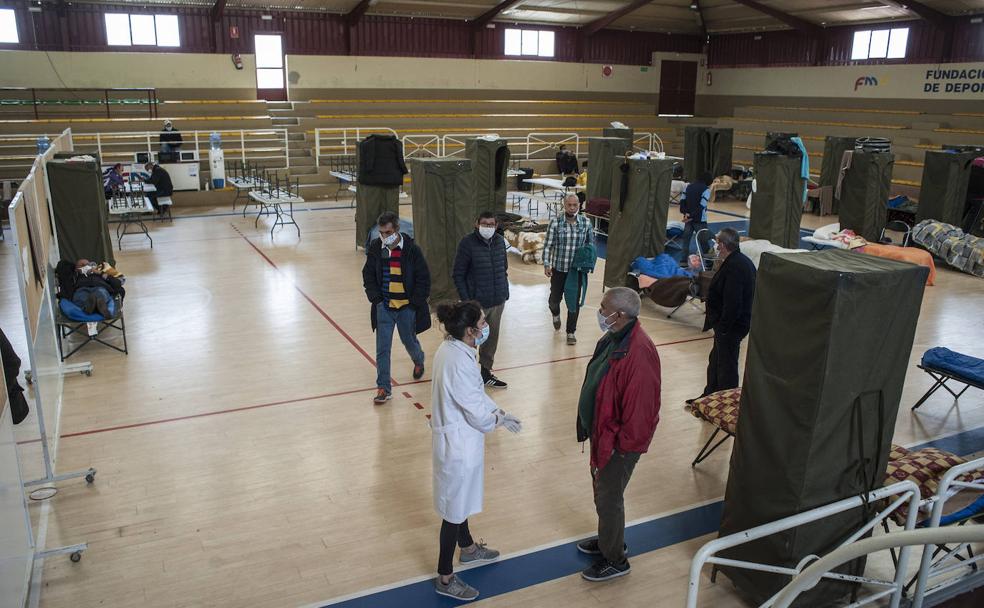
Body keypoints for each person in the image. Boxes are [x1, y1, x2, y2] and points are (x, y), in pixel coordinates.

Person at [430, 300, 522, 601]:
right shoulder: (458, 360)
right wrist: (495, 419)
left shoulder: (455, 348)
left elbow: (476, 394)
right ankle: (445, 577)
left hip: (460, 439)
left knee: (462, 499)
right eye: (483, 323)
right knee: (454, 511)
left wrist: (498, 410)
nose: (486, 326)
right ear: (470, 330)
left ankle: (468, 549)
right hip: (458, 444)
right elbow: (476, 413)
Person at [576, 287, 661, 582]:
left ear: (620, 315)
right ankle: (607, 540)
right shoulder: (615, 337)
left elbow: (641, 414)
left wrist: (621, 450)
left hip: (620, 445)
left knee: (609, 497)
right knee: (603, 494)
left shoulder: (639, 354)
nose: (600, 313)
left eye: (603, 308)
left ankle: (615, 559)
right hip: (605, 436)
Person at [362, 212, 431, 404]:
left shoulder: (412, 250)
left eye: (388, 232)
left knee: (408, 341)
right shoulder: (376, 248)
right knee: (382, 349)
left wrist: (415, 302)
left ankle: (418, 359)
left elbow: (423, 278)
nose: (385, 236)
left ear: (397, 229)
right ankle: (384, 387)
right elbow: (368, 275)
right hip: (384, 307)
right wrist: (375, 299)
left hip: (406, 308)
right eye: (382, 233)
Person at [696, 227, 756, 399]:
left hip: (731, 327)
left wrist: (723, 328)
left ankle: (726, 401)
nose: (715, 246)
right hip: (729, 326)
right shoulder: (738, 261)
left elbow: (733, 302)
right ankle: (709, 397)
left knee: (726, 367)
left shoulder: (735, 267)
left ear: (722, 245)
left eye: (716, 243)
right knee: (715, 362)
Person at [452, 211, 509, 389]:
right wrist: (467, 302)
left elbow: (504, 268)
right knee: (471, 341)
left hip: (498, 300)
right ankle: (466, 376)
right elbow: (458, 274)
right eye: (484, 224)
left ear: (496, 225)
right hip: (477, 304)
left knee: (491, 339)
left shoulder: (500, 242)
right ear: (477, 224)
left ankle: (485, 373)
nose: (488, 227)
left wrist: (504, 292)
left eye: (491, 224)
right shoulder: (467, 243)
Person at [543, 194, 594, 345]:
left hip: (575, 272)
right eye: (569, 205)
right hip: (558, 270)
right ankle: (556, 314)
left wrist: (588, 263)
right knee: (554, 300)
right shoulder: (555, 222)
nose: (572, 208)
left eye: (575, 205)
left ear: (579, 205)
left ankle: (571, 332)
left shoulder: (586, 223)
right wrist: (547, 264)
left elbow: (591, 245)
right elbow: (548, 245)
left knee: (573, 303)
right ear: (564, 205)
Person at [55, 259, 126, 320]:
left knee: (100, 294)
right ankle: (95, 307)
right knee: (82, 297)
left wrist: (99, 273)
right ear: (76, 268)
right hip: (81, 288)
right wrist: (76, 273)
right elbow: (63, 270)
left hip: (99, 287)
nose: (85, 267)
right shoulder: (74, 276)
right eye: (82, 265)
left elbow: (117, 283)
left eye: (87, 264)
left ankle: (94, 307)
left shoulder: (99, 272)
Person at [678, 171, 712, 263]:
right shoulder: (706, 190)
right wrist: (692, 215)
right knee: (704, 242)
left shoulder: (688, 187)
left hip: (688, 220)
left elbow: (682, 202)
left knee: (686, 241)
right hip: (700, 221)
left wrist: (686, 213)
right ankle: (709, 263)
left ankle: (683, 261)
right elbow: (701, 206)